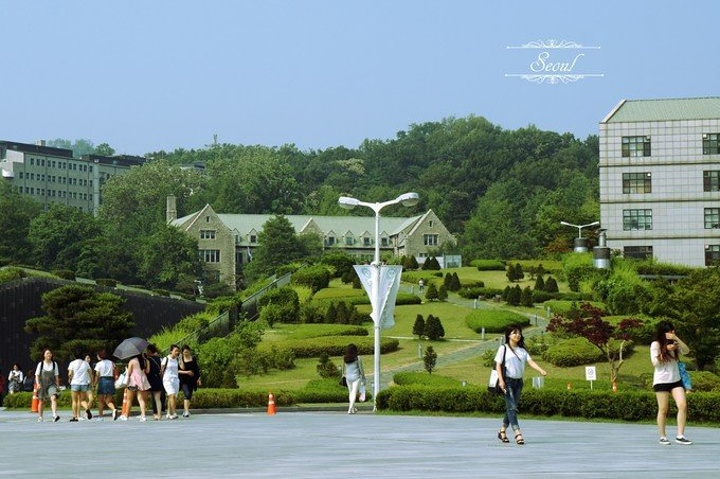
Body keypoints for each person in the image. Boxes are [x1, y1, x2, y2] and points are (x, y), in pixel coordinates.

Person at [495, 325, 547, 445]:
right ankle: (518, 433)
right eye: (515, 333)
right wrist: (501, 381)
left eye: (519, 333)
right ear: (509, 335)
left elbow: (531, 362)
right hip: (507, 381)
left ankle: (502, 431)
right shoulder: (503, 348)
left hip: (519, 382)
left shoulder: (522, 350)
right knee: (512, 407)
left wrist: (541, 370)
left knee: (511, 407)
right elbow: (498, 365)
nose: (518, 335)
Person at [651, 321, 692, 445]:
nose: (672, 333)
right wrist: (666, 351)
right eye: (670, 331)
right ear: (663, 332)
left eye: (673, 331)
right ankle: (662, 436)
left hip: (676, 380)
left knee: (683, 405)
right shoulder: (656, 344)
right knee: (663, 409)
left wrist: (676, 339)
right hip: (661, 381)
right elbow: (655, 363)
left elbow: (686, 351)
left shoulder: (674, 343)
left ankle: (680, 435)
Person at [120, 353, 150, 421]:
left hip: (133, 381)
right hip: (142, 381)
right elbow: (147, 371)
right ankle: (143, 416)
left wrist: (127, 369)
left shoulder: (132, 361)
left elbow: (129, 373)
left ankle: (126, 416)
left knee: (129, 400)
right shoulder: (145, 361)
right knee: (141, 399)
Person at [35, 349, 61, 422]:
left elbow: (56, 376)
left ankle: (54, 415)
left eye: (50, 353)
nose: (49, 355)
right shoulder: (41, 364)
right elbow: (37, 375)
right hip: (42, 385)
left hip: (51, 385)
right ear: (44, 355)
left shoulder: (54, 364)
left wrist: (58, 385)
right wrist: (38, 384)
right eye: (47, 353)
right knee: (41, 401)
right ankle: (40, 417)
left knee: (53, 398)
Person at [67, 348, 93, 422]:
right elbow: (90, 372)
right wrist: (91, 381)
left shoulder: (72, 363)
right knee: (82, 400)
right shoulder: (86, 363)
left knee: (74, 401)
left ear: (74, 355)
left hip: (75, 383)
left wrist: (70, 379)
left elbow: (70, 374)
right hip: (84, 384)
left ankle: (75, 417)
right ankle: (87, 409)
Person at [93, 349, 119, 421]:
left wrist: (94, 384)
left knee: (100, 400)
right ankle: (114, 409)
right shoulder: (112, 363)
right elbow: (115, 372)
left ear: (100, 356)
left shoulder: (99, 364)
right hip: (110, 381)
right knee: (108, 400)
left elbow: (97, 375)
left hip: (102, 380)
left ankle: (100, 416)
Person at [179, 345, 201, 418]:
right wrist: (187, 372)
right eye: (185, 352)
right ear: (182, 352)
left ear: (189, 351)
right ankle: (186, 412)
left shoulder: (193, 358)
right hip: (183, 380)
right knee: (187, 394)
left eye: (187, 352)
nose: (186, 353)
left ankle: (186, 410)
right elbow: (178, 370)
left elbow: (196, 369)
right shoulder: (180, 359)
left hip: (192, 380)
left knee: (189, 396)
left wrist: (198, 378)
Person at [342, 343, 365, 414]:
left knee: (350, 393)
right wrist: (363, 376)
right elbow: (361, 368)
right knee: (354, 393)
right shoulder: (357, 358)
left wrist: (344, 375)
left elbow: (343, 369)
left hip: (348, 377)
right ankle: (350, 408)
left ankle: (353, 408)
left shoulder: (345, 358)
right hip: (356, 377)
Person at [145, 344, 165, 420]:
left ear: (150, 351)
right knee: (158, 399)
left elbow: (148, 371)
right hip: (158, 379)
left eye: (147, 351)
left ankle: (152, 414)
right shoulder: (158, 358)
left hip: (151, 380)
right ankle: (159, 415)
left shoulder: (148, 359)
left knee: (148, 397)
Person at [161, 345, 181, 419]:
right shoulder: (166, 359)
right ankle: (174, 413)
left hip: (175, 380)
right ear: (171, 351)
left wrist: (181, 358)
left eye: (178, 351)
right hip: (167, 379)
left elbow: (182, 367)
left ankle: (168, 413)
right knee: (172, 395)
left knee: (173, 397)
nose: (177, 352)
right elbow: (162, 369)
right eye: (175, 351)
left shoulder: (177, 359)